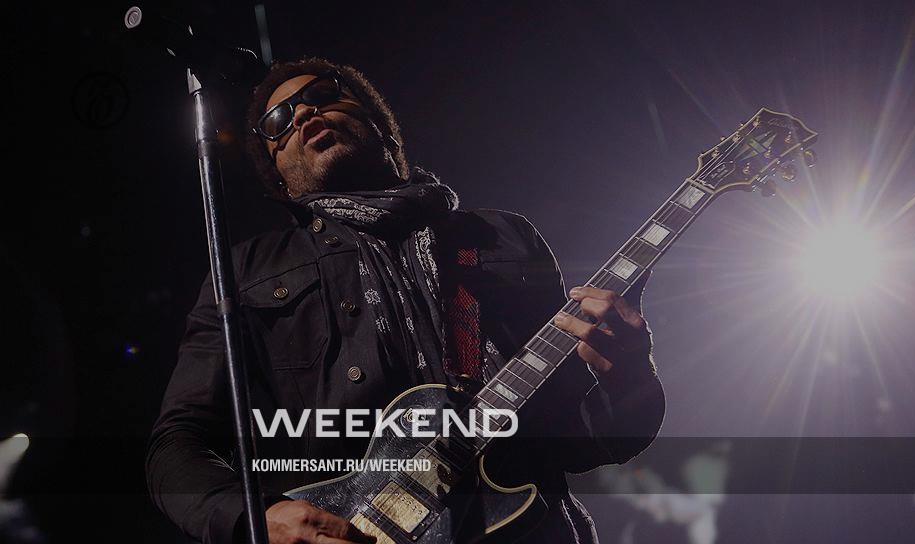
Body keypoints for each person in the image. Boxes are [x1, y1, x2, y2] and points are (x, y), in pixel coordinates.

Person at [146, 57, 665, 544]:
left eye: (322, 95)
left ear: (381, 125)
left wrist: (629, 375)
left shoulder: (502, 237)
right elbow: (178, 443)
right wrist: (257, 519)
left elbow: (580, 437)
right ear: (278, 174)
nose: (303, 114)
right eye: (277, 121)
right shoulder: (245, 271)